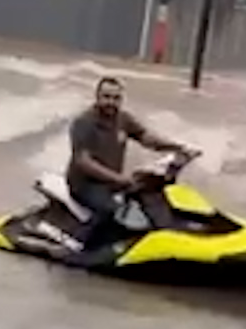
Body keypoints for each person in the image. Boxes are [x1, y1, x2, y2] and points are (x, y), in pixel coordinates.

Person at [65, 77, 193, 235]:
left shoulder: (123, 119)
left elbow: (147, 138)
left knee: (149, 195)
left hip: (113, 181)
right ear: (97, 97)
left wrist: (178, 147)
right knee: (112, 212)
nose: (111, 102)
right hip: (86, 185)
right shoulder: (83, 122)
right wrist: (119, 179)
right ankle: (80, 244)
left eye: (116, 98)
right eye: (106, 97)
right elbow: (83, 162)